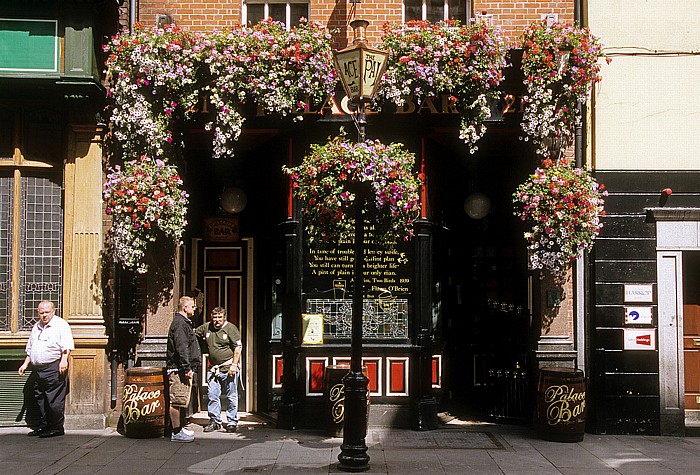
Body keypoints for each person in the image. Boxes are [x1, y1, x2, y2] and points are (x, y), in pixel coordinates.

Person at [18, 301, 75, 438]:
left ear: (53, 311)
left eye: (46, 312)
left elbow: (66, 346)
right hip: (38, 369)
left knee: (53, 400)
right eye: (41, 313)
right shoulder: (37, 326)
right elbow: (31, 348)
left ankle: (56, 428)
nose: (44, 315)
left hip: (53, 367)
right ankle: (43, 426)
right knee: (40, 398)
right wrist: (25, 364)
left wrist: (63, 361)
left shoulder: (61, 325)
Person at [195, 306, 242, 433]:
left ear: (224, 317)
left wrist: (234, 365)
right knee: (212, 395)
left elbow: (238, 347)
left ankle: (232, 422)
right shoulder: (206, 327)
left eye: (219, 317)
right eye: (215, 317)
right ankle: (215, 421)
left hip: (228, 368)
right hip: (213, 369)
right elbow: (193, 334)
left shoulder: (231, 328)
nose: (217, 320)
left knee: (231, 396)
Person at [166, 296, 201, 442]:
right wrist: (186, 367)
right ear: (185, 308)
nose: (195, 308)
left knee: (181, 400)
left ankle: (179, 429)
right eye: (192, 306)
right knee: (177, 400)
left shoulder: (183, 323)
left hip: (181, 368)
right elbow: (182, 347)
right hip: (179, 369)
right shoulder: (180, 324)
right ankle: (176, 432)